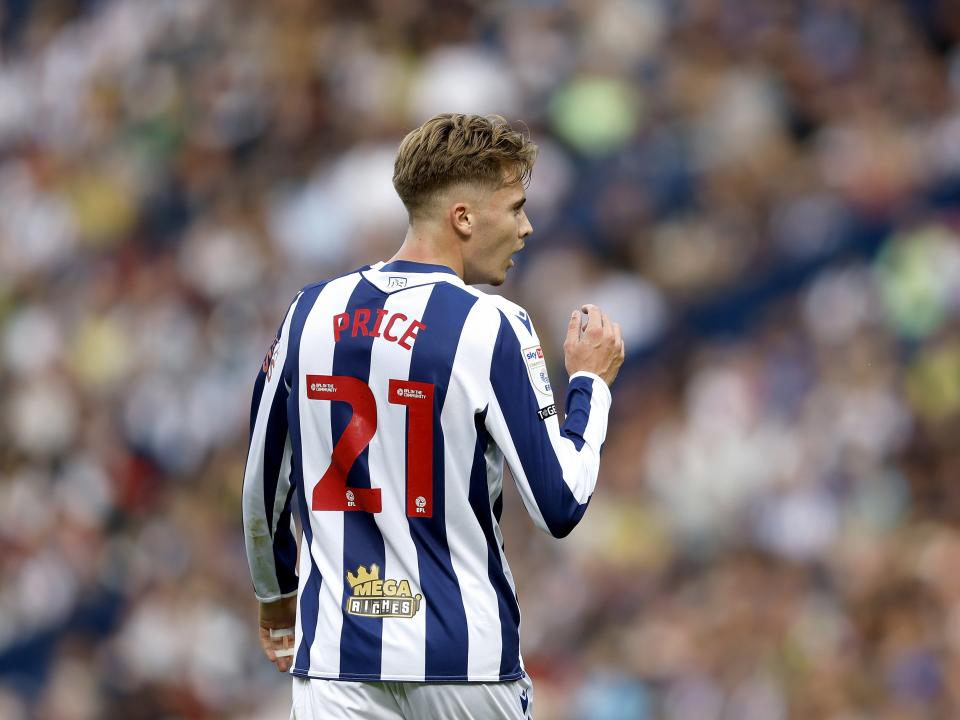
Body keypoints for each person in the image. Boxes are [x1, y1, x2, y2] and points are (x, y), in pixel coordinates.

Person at [242, 113, 624, 719]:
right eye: (517, 207)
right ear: (464, 218)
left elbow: (264, 481)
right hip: (463, 664)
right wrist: (590, 386)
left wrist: (276, 592)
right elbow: (560, 503)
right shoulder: (492, 324)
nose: (527, 228)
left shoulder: (309, 312)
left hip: (339, 662)